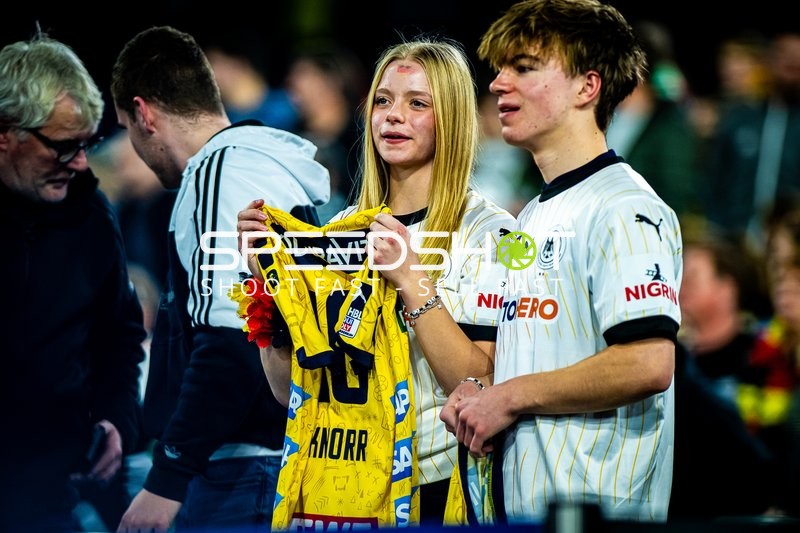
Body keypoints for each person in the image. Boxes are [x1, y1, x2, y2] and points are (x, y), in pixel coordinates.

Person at [237, 37, 516, 526]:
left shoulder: (492, 234)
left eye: (417, 103)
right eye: (383, 100)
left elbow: (480, 384)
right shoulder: (340, 231)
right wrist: (272, 292)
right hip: (342, 495)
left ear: (451, 117)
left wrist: (410, 279)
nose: (392, 115)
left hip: (437, 490)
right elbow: (290, 392)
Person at [440, 0, 682, 524]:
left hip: (600, 513)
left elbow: (647, 362)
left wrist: (509, 397)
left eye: (523, 68)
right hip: (533, 510)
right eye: (500, 70)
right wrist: (481, 391)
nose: (499, 84)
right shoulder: (532, 215)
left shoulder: (624, 206)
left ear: (586, 87)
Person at [109, 26, 330, 532]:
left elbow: (232, 340)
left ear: (144, 114)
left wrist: (166, 481)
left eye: (126, 127)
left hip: (239, 470)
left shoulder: (220, 173)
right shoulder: (252, 168)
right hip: (263, 461)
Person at [0, 33, 147, 532]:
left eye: (86, 144)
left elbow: (121, 339)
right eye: (64, 146)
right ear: (5, 133)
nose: (82, 162)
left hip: (53, 498)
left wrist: (114, 421)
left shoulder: (89, 216)